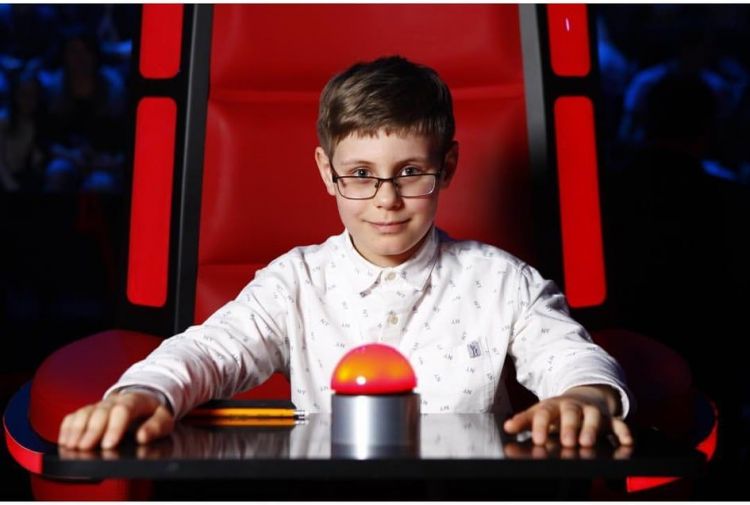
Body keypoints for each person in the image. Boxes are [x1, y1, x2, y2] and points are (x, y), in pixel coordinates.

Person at [58, 56, 634, 452]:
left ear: (448, 166)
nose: (386, 199)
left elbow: (569, 355)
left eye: (410, 172)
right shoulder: (295, 282)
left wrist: (586, 397)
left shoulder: (503, 280)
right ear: (325, 171)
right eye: (360, 174)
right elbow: (209, 350)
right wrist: (143, 392)